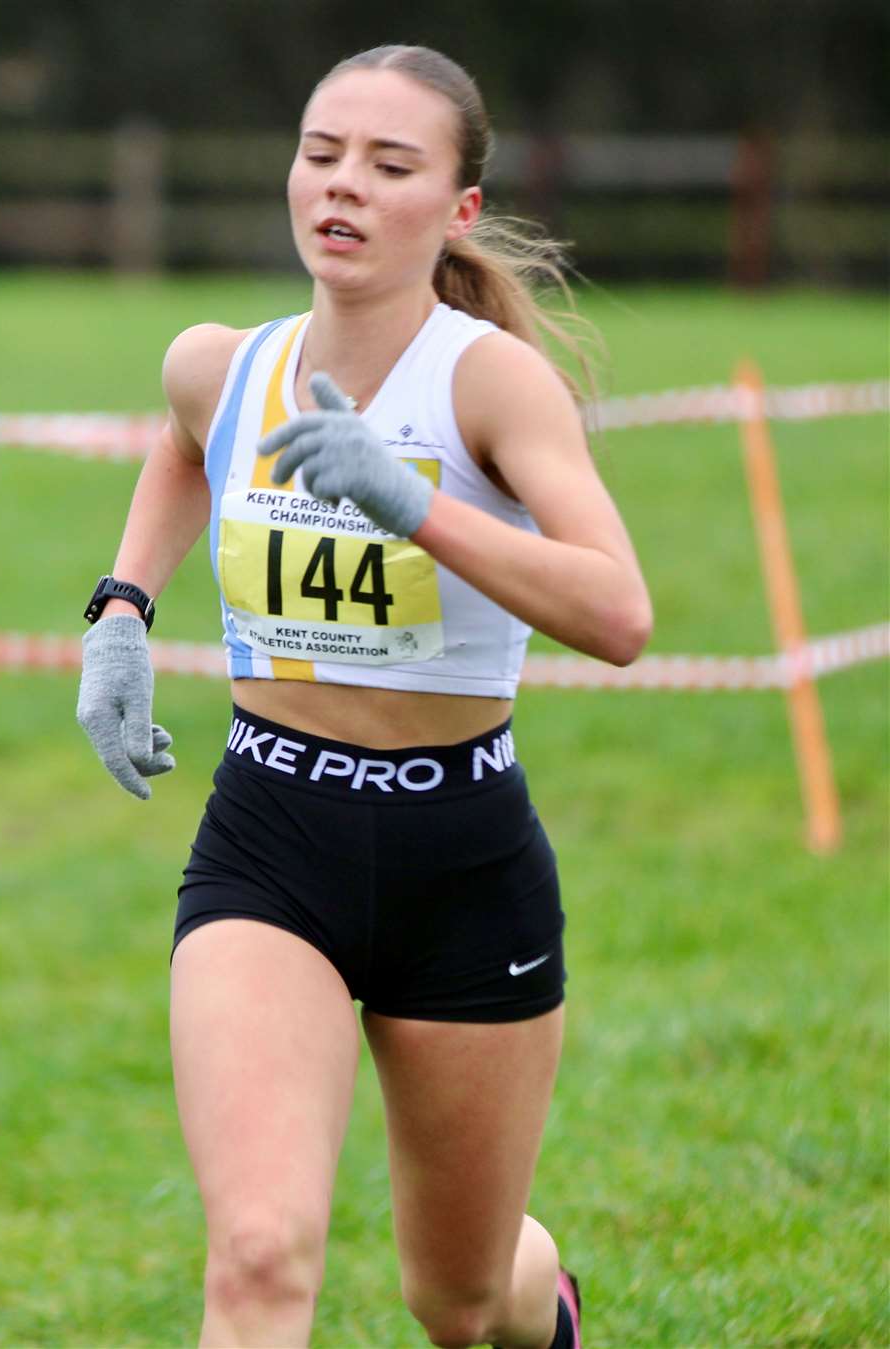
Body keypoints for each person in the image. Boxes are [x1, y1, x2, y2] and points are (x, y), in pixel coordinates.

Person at [77, 43, 651, 1349]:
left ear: (455, 209)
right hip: (271, 840)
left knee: (457, 1303)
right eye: (322, 153)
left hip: (464, 858)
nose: (343, 186)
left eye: (390, 165)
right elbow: (186, 446)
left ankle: (539, 1294)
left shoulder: (491, 384)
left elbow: (618, 612)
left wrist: (417, 506)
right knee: (263, 1255)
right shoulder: (224, 364)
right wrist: (121, 608)